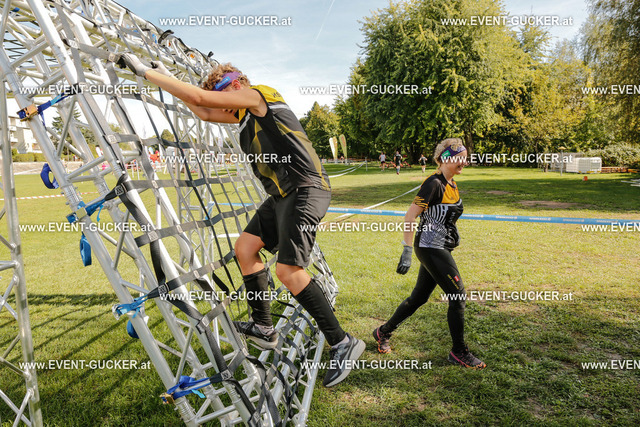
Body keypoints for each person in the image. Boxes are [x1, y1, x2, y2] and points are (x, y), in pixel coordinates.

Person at [119, 55, 365, 387]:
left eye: (224, 95)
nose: (225, 106)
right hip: (281, 195)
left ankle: (343, 342)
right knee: (245, 248)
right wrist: (165, 76)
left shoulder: (259, 95)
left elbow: (203, 99)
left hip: (304, 189)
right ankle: (263, 327)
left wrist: (146, 72)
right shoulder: (245, 116)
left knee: (288, 271)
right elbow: (204, 111)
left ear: (236, 84)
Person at [373, 138, 486, 369]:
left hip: (440, 247)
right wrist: (406, 250)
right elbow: (410, 216)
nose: (464, 163)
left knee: (419, 298)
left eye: (465, 159)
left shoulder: (451, 183)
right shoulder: (433, 183)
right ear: (445, 158)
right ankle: (459, 351)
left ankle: (383, 331)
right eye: (459, 159)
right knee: (458, 297)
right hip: (430, 247)